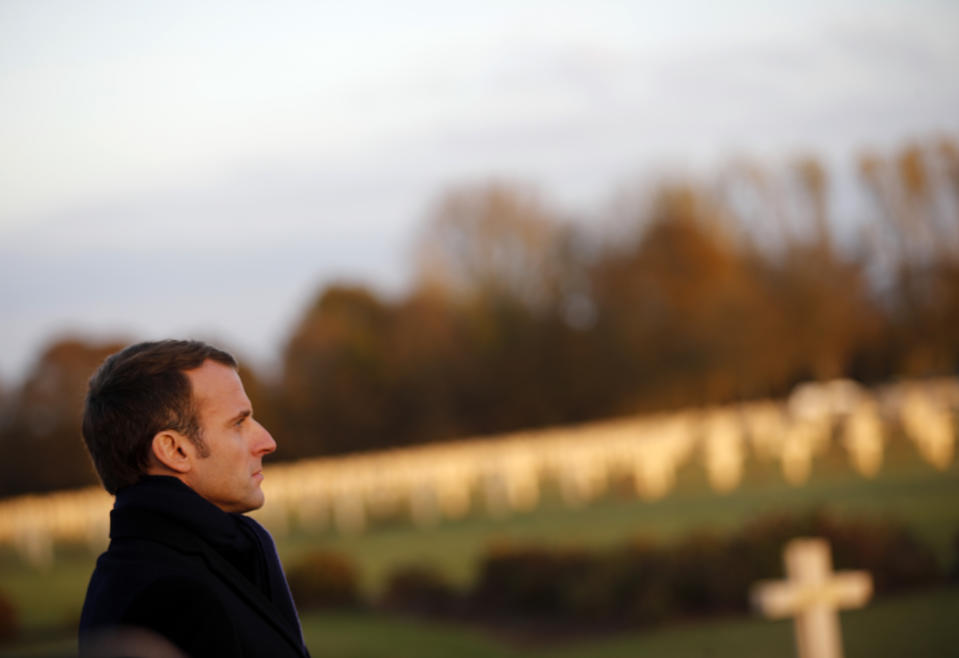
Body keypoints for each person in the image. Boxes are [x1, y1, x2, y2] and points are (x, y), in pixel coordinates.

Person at [78, 340, 310, 658]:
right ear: (175, 450)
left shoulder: (233, 549)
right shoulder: (164, 600)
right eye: (238, 423)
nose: (267, 442)